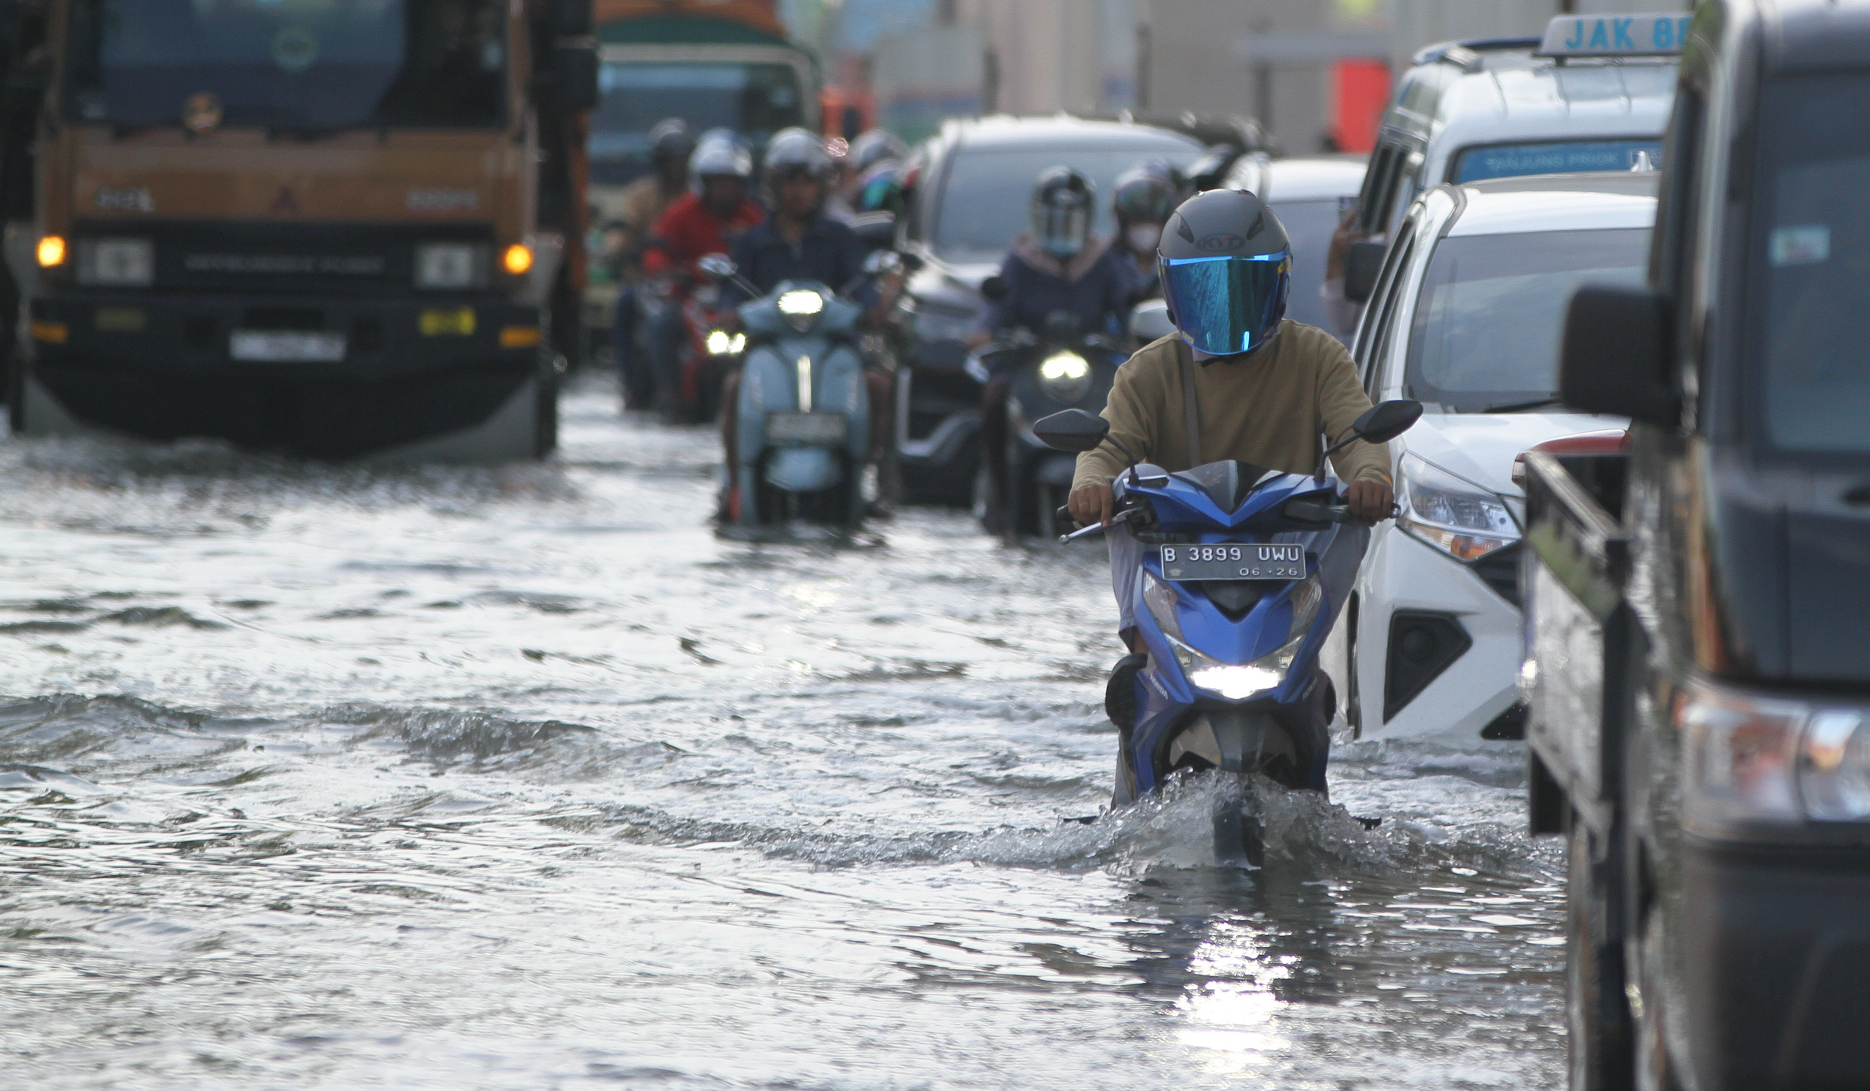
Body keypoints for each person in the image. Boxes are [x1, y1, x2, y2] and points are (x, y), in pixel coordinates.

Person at [1066, 188, 1396, 659]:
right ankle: (1144, 655)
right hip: (1178, 543)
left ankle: (1304, 654)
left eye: (1243, 287)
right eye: (1204, 288)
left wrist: (1370, 478)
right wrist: (1091, 483)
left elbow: (1356, 431)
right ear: (1172, 293)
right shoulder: (1148, 369)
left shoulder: (1319, 356)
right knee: (1122, 492)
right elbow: (1108, 445)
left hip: (1286, 540)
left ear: (1277, 285)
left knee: (1348, 518)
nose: (1224, 305)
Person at [716, 128, 892, 518]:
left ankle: (867, 479)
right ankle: (732, 486)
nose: (798, 190)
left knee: (878, 386)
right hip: (768, 349)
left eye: (807, 180)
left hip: (834, 348)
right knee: (733, 388)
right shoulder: (751, 242)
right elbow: (732, 290)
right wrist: (728, 313)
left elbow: (862, 285)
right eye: (789, 180)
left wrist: (874, 307)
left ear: (821, 186)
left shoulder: (840, 238)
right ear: (772, 186)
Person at [971, 166, 1138, 532]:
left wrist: (1135, 339)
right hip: (1028, 364)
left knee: (1132, 405)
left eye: (1071, 219)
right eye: (1054, 218)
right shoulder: (1020, 259)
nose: (1062, 227)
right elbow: (991, 320)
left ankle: (1136, 499)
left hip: (1093, 366)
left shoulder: (1104, 258)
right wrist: (990, 335)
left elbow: (1131, 315)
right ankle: (999, 493)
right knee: (994, 396)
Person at [642, 130, 765, 416]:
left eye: (730, 183)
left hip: (739, 299)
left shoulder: (754, 216)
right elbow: (658, 247)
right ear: (702, 183)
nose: (724, 190)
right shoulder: (681, 213)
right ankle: (670, 393)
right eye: (717, 183)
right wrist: (661, 268)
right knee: (661, 326)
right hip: (690, 296)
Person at [612, 119, 694, 408]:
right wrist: (625, 248)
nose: (677, 166)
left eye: (682, 160)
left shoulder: (697, 199)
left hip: (693, 283)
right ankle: (630, 381)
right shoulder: (641, 194)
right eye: (670, 160)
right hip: (651, 279)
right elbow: (622, 233)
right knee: (625, 303)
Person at [1110, 164, 1181, 292]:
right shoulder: (1104, 265)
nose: (1145, 230)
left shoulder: (1180, 265)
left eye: (1152, 222)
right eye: (1137, 222)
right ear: (1123, 224)